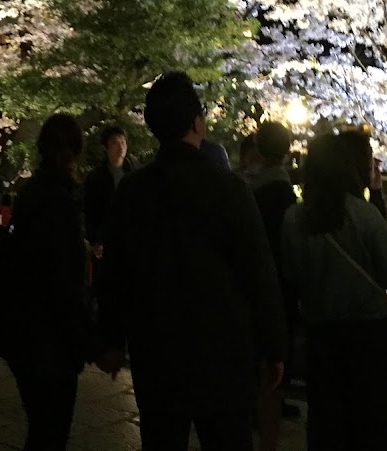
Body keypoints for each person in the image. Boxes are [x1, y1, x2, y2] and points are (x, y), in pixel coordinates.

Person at [97, 71, 286, 451]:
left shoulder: (134, 191)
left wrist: (111, 338)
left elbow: (114, 270)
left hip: (156, 344)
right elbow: (258, 271)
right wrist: (273, 347)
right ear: (197, 123)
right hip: (223, 348)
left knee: (162, 438)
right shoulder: (229, 188)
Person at [282, 133, 387, 451]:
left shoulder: (294, 218)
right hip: (371, 338)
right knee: (374, 427)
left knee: (328, 425)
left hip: (322, 336)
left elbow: (291, 274)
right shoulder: (365, 215)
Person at [7, 113, 92, 451]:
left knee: (41, 427)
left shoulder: (32, 195)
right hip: (51, 338)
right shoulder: (61, 203)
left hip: (25, 330)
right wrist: (89, 339)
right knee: (51, 430)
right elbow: (64, 283)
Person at [249, 121, 299, 448]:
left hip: (249, 286)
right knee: (276, 366)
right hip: (281, 288)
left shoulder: (245, 189)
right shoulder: (286, 197)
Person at [83, 123, 136, 262]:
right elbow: (90, 210)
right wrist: (95, 240)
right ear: (105, 148)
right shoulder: (96, 177)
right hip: (107, 241)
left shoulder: (135, 171)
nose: (120, 146)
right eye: (114, 142)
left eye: (123, 141)